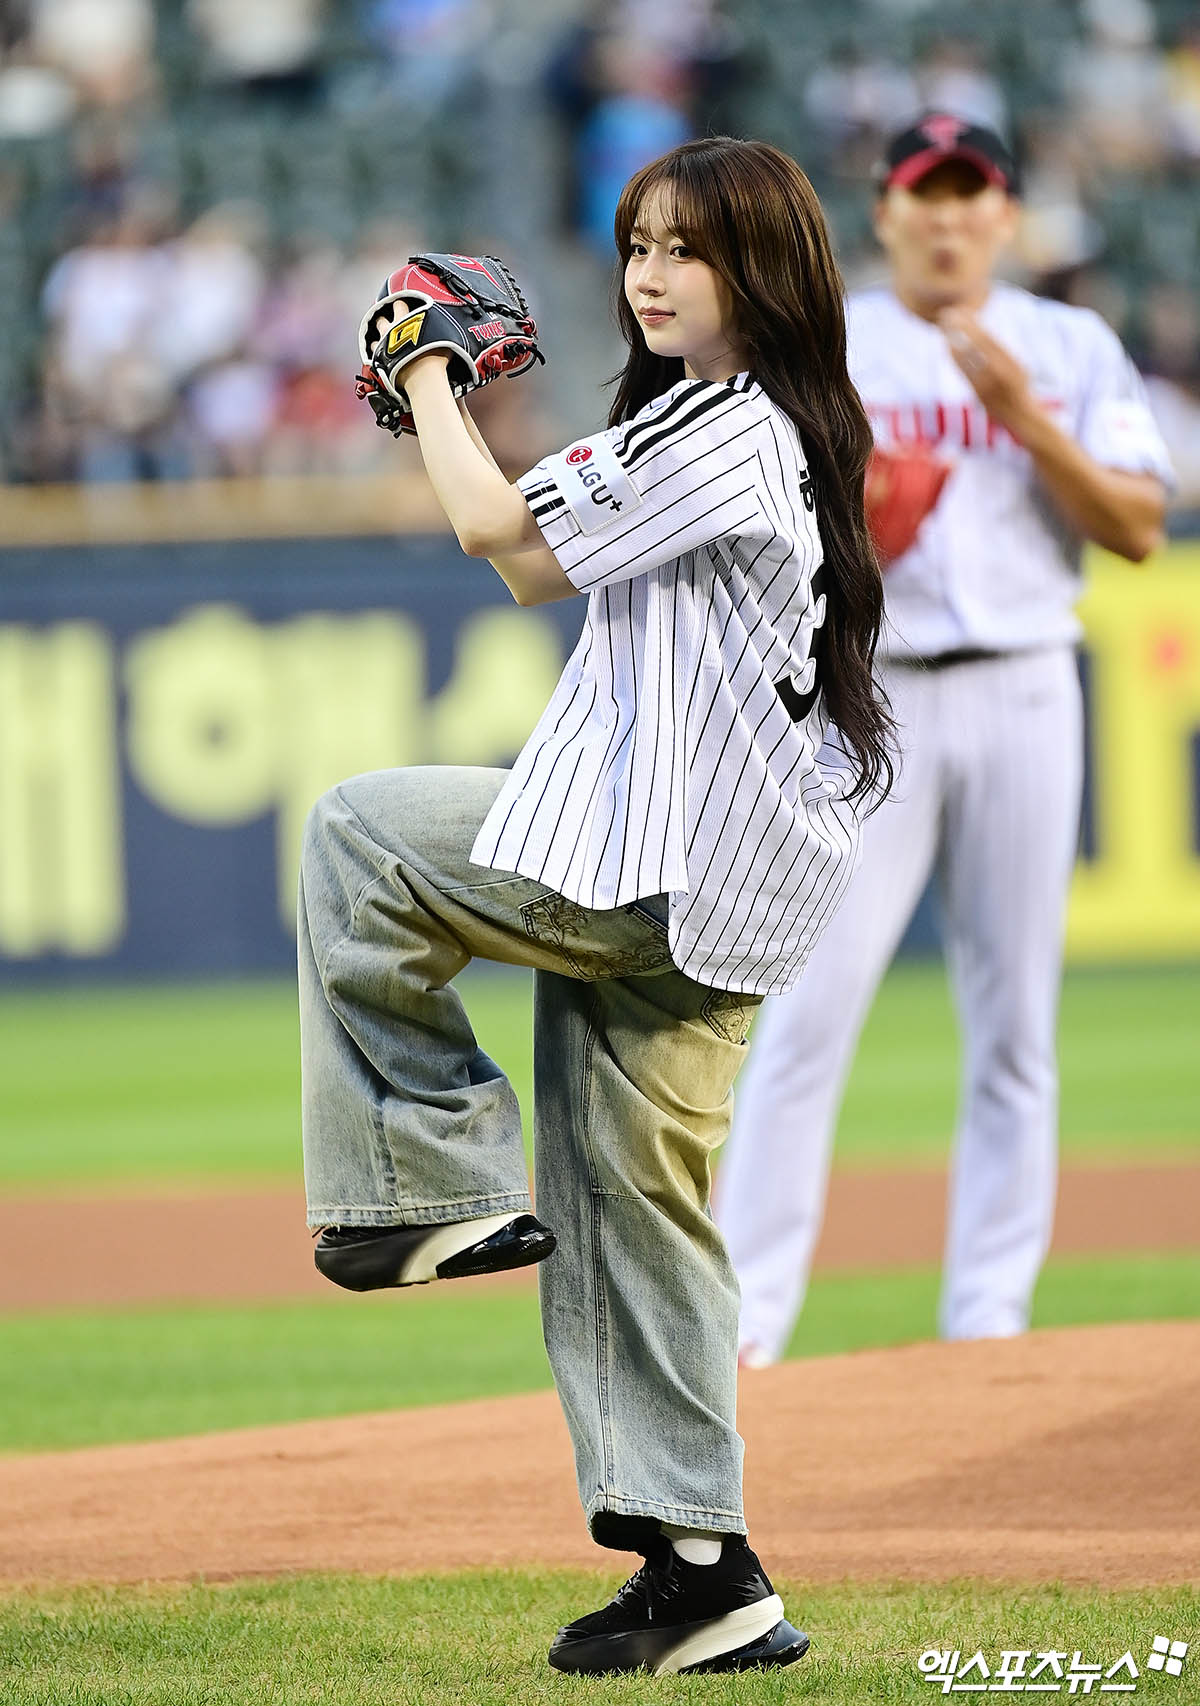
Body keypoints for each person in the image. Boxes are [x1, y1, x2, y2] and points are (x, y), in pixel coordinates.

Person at [297, 135, 891, 1676]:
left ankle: (420, 1180)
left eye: (689, 246)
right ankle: (706, 1570)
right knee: (639, 1215)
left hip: (662, 863)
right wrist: (453, 400)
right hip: (732, 883)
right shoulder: (764, 422)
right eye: (638, 242)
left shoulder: (725, 423)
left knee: (360, 834)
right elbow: (540, 540)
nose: (650, 272)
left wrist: (428, 372)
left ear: (764, 267)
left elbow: (504, 543)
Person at [714, 114, 1173, 1366]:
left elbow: (1138, 527)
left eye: (972, 194)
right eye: (926, 193)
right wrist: (846, 514)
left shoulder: (1066, 346)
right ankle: (745, 1325)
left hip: (1027, 685)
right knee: (809, 1016)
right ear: (886, 212)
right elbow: (751, 521)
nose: (949, 216)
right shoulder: (831, 342)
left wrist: (1025, 418)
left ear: (1007, 215)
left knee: (1016, 1024)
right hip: (875, 697)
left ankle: (990, 1319)